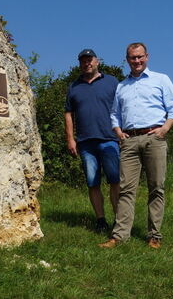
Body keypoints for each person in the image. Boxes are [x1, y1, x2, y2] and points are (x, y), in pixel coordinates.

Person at [99, 42, 173, 249]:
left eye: (140, 57)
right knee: (126, 189)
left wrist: (164, 129)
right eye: (132, 58)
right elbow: (114, 113)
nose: (136, 61)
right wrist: (118, 132)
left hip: (154, 137)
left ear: (147, 57)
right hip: (129, 141)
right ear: (127, 60)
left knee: (156, 188)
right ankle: (119, 236)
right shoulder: (121, 86)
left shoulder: (161, 79)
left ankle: (154, 236)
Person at [65, 49, 121, 232]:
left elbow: (123, 107)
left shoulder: (112, 82)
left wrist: (123, 133)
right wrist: (70, 139)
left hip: (110, 139)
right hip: (85, 142)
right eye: (83, 61)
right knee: (93, 182)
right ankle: (101, 221)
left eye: (90, 60)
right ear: (79, 64)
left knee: (115, 181)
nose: (86, 63)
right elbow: (68, 114)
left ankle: (119, 221)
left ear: (97, 61)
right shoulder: (74, 86)